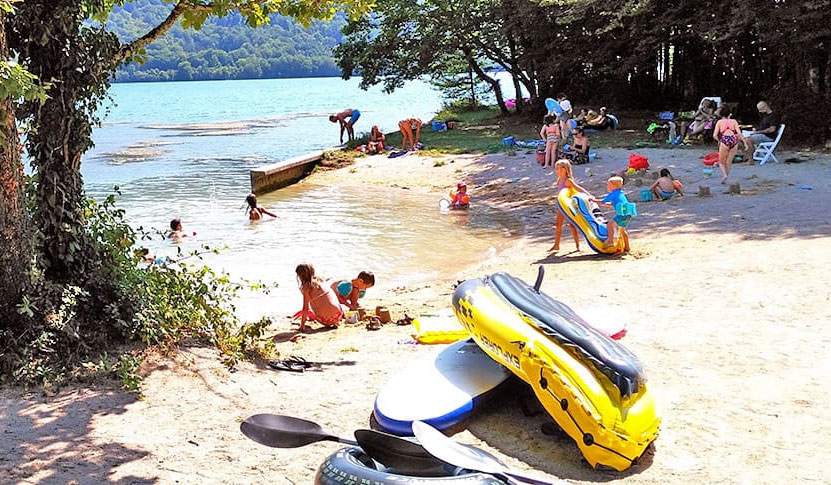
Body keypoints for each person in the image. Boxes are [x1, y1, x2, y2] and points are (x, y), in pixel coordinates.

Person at [550, 159, 589, 252]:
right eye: (556, 169)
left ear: (565, 169)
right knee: (558, 224)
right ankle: (556, 245)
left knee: (572, 225)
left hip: (569, 206)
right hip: (561, 205)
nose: (557, 171)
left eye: (559, 169)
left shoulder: (568, 181)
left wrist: (589, 195)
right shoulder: (559, 180)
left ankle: (577, 246)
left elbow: (578, 188)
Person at [295, 263, 343, 331]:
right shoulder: (320, 279)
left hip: (327, 321)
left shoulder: (306, 288)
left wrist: (302, 326)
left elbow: (305, 308)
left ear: (300, 276)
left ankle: (327, 320)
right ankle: (335, 322)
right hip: (339, 314)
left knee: (310, 309)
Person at [591, 176, 632, 253]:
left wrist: (593, 200)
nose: (607, 187)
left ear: (614, 186)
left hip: (622, 215)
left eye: (608, 185)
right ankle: (627, 247)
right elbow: (611, 204)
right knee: (622, 231)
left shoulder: (613, 194)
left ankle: (610, 241)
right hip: (628, 214)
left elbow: (603, 201)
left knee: (609, 225)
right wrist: (600, 203)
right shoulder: (620, 193)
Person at [713, 109, 749, 183]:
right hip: (734, 139)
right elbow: (739, 133)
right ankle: (727, 175)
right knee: (729, 162)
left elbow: (715, 135)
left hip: (725, 139)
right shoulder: (734, 121)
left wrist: (719, 141)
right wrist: (745, 143)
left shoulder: (719, 122)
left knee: (721, 162)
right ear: (730, 114)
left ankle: (724, 175)